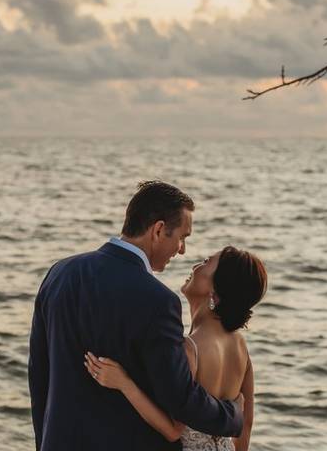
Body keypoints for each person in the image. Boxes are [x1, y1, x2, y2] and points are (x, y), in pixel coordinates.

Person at [28, 181, 243, 451]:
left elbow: (39, 377)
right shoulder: (158, 301)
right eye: (182, 237)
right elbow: (181, 399)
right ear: (159, 230)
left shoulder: (59, 273)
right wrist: (233, 414)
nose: (182, 249)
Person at [85, 246, 267, 451]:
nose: (196, 266)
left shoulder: (190, 349)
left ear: (214, 292)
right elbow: (246, 423)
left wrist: (124, 383)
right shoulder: (240, 346)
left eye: (206, 262)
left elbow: (173, 430)